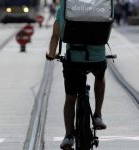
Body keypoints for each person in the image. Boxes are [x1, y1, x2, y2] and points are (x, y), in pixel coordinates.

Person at [46, 0, 108, 149]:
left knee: (70, 99)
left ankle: (68, 136)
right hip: (97, 58)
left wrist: (52, 54)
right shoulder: (100, 6)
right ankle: (98, 115)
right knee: (100, 77)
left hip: (74, 59)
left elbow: (56, 34)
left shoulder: (65, 7)